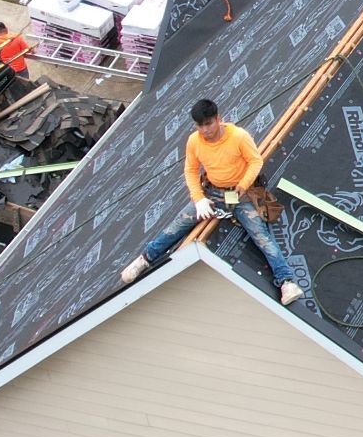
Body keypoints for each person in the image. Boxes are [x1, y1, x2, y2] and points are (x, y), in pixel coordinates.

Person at [116, 98, 306, 303]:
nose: (205, 130)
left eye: (208, 124)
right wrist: (199, 200)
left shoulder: (238, 137)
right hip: (213, 192)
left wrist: (242, 186)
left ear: (218, 119)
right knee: (178, 224)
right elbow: (190, 170)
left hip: (241, 193)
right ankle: (145, 259)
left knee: (260, 235)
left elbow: (255, 161)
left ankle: (286, 282)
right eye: (200, 126)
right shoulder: (194, 141)